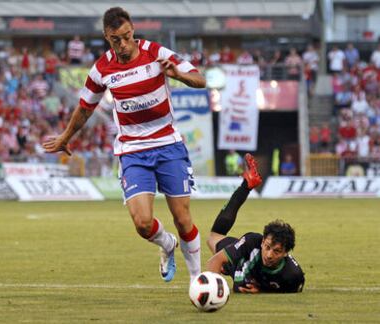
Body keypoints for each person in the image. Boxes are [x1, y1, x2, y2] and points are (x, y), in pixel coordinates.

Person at [42, 7, 206, 283]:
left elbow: (200, 80)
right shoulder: (101, 69)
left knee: (183, 217)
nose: (124, 44)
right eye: (117, 39)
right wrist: (65, 138)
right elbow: (85, 108)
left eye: (128, 36)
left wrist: (178, 75)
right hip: (132, 151)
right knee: (142, 224)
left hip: (168, 145)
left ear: (133, 31)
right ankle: (167, 244)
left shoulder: (157, 52)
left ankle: (197, 280)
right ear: (107, 37)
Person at [206, 153, 305, 293]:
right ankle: (246, 186)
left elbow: (290, 287)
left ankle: (247, 184)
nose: (269, 255)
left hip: (239, 264)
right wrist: (215, 292)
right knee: (214, 237)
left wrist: (262, 289)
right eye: (268, 246)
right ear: (263, 241)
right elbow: (213, 263)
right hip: (238, 259)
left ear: (285, 253)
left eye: (277, 251)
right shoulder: (252, 242)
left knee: (214, 238)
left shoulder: (293, 276)